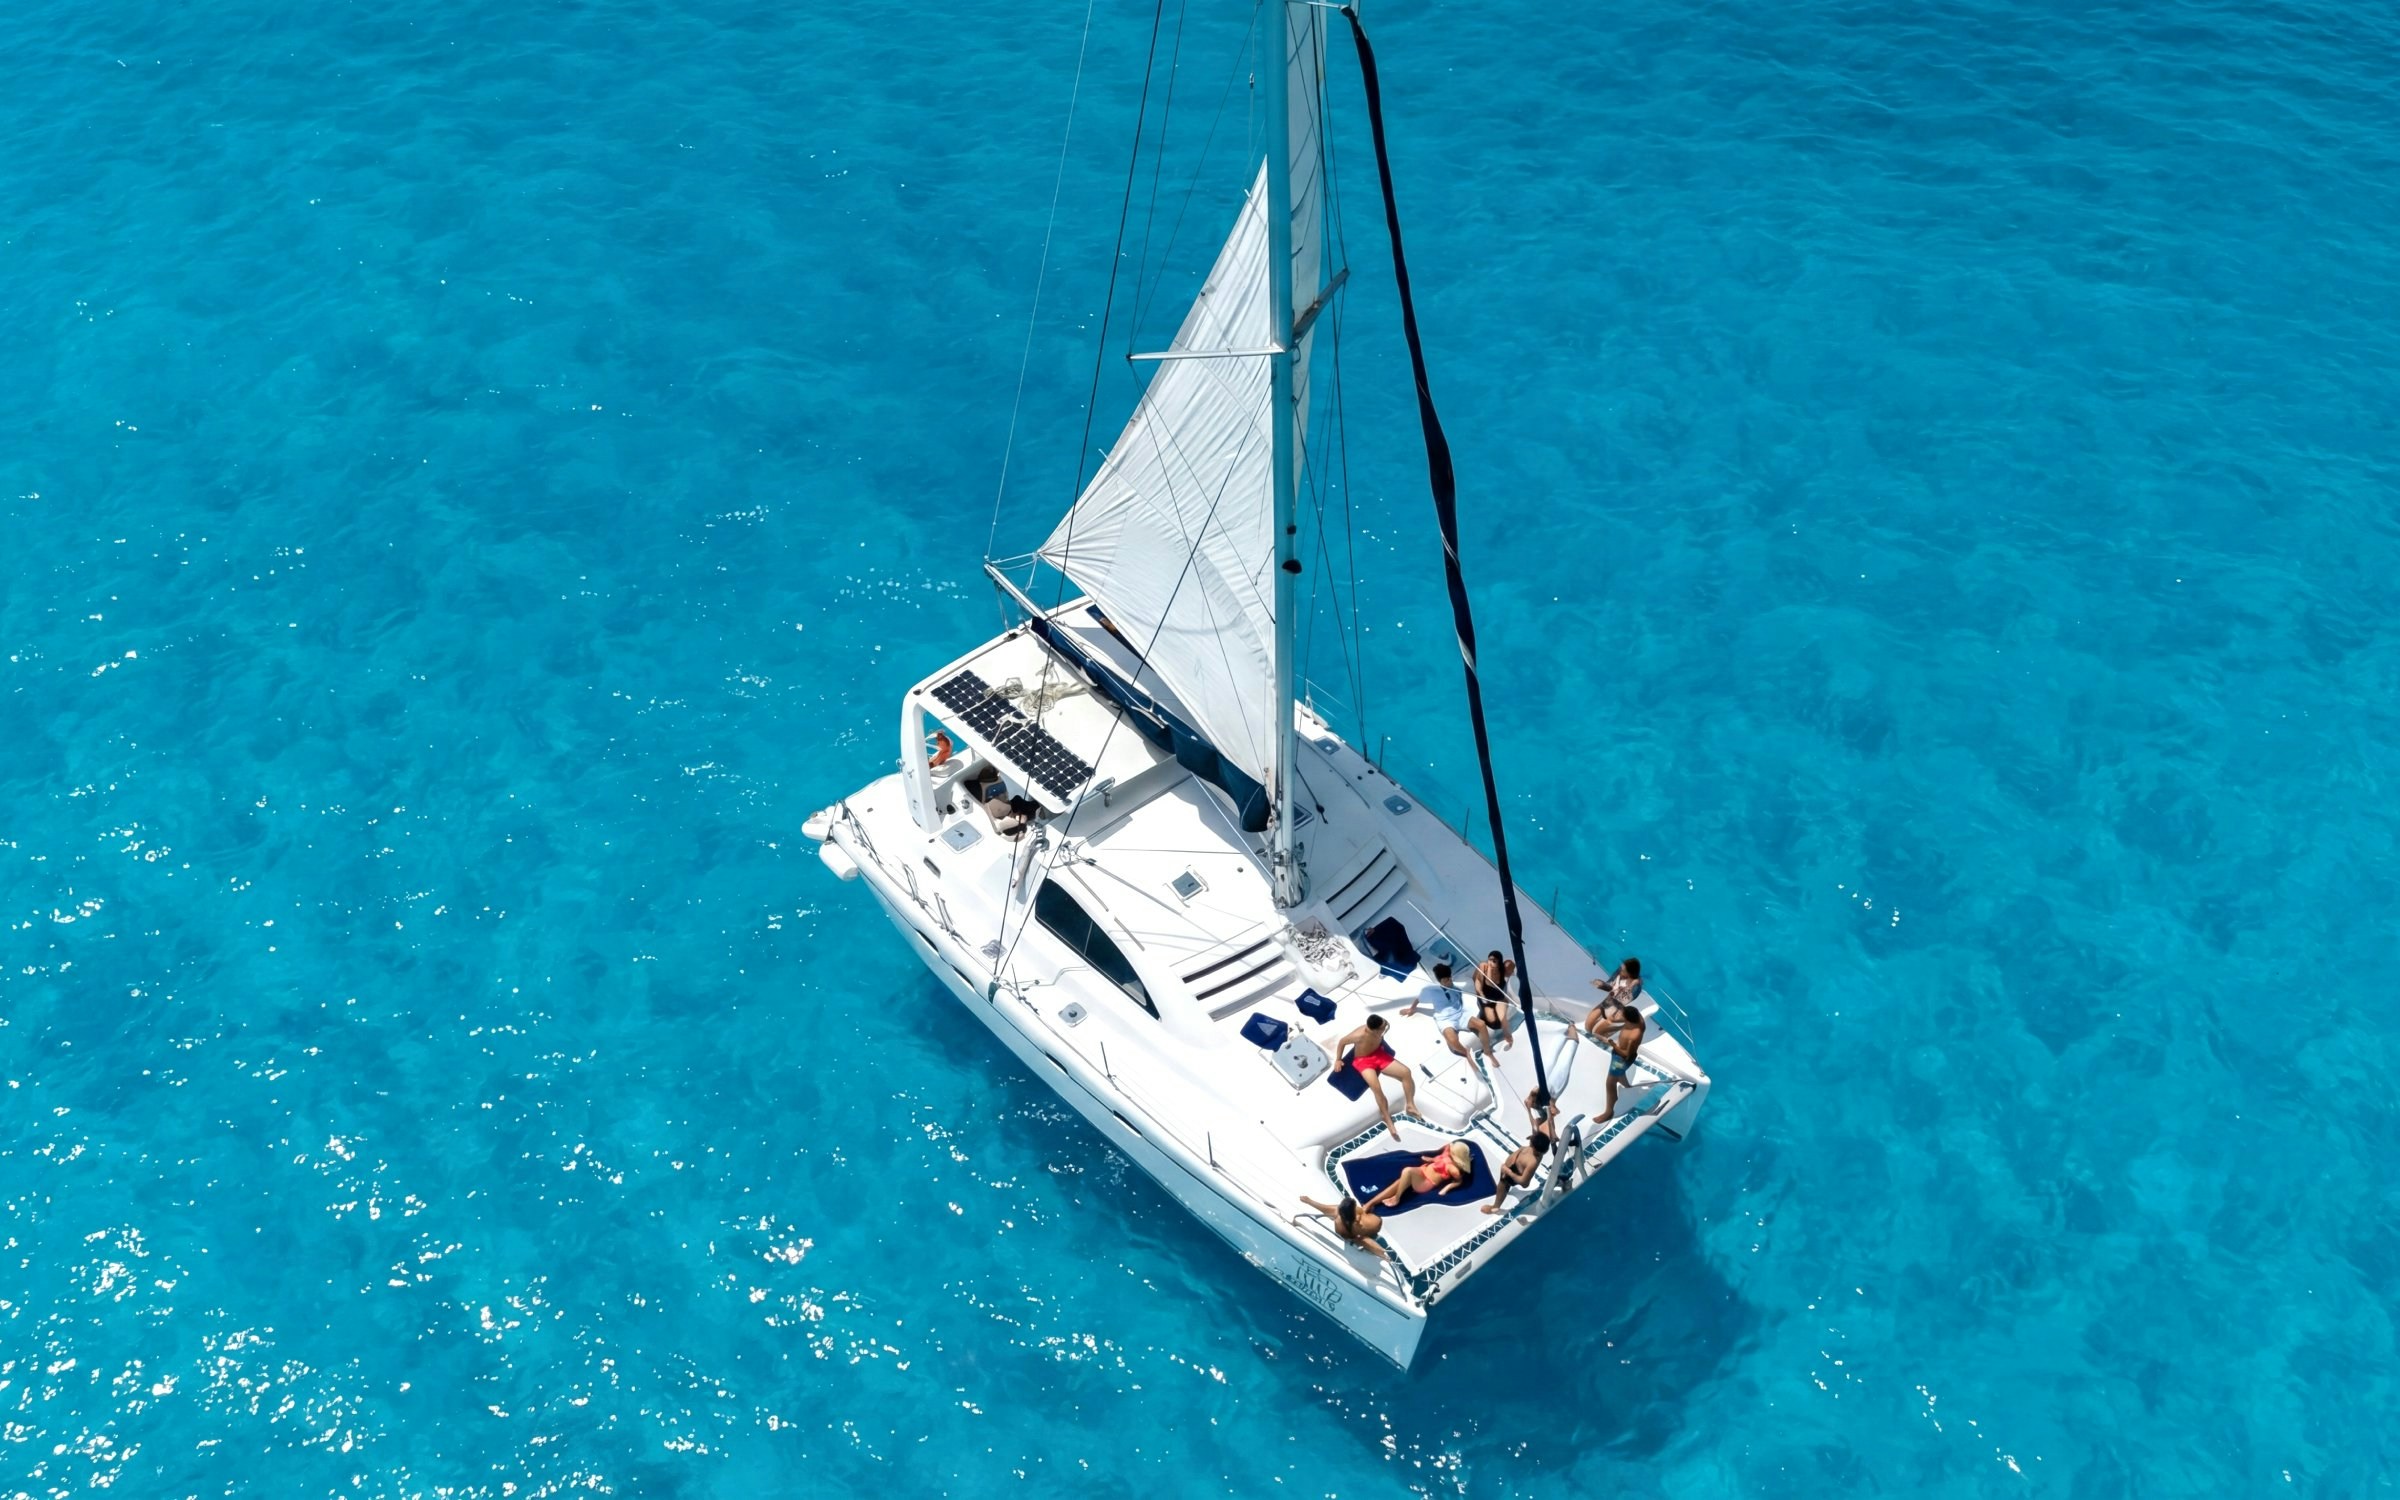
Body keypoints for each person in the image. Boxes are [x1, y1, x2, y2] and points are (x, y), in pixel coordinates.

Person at [1333, 1014, 1419, 1141]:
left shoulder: (1382, 1024)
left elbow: (1386, 1025)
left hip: (1378, 1054)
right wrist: (1338, 1060)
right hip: (1363, 1061)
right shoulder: (1358, 1035)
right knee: (1377, 1089)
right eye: (1383, 1028)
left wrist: (1385, 1026)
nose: (1385, 1028)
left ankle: (1410, 1104)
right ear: (1374, 1030)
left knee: (1406, 1072)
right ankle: (1387, 1118)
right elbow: (1342, 1042)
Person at [1403, 962, 1497, 1068]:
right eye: (1446, 980)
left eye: (1450, 978)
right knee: (1452, 1040)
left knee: (1481, 1025)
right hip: (1445, 1020)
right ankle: (1467, 1054)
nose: (1449, 981)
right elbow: (1418, 999)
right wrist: (1412, 1009)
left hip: (1460, 1015)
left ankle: (1487, 1051)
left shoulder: (1455, 987)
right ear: (1440, 981)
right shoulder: (1431, 991)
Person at [1370, 1140, 1475, 1210]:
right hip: (1422, 1171)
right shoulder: (1447, 1152)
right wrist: (1432, 1159)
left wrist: (1446, 1189)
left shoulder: (1454, 1170)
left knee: (1407, 1171)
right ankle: (1370, 1203)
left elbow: (1458, 1182)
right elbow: (1444, 1151)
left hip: (1426, 1182)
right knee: (1398, 1182)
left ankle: (1397, 1198)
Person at [1299, 1194, 1390, 1261]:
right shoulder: (1341, 1225)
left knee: (1335, 1211)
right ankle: (1383, 1254)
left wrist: (1309, 1201)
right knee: (1359, 1238)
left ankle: (1309, 1201)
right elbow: (1354, 1239)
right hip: (1361, 1232)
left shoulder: (1356, 1211)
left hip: (1370, 1223)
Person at [1483, 1129, 1552, 1214]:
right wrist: (1533, 1138)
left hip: (1514, 1173)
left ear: (1534, 1147)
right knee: (1502, 1183)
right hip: (1513, 1165)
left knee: (1503, 1184)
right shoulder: (1534, 1147)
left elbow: (1524, 1183)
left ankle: (1495, 1207)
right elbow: (1540, 1138)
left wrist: (1508, 1171)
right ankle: (1501, 1189)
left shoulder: (1532, 1162)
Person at [1471, 951, 1517, 1049]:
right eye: (1490, 960)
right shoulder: (1484, 967)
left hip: (1497, 999)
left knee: (1501, 1016)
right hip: (1485, 1000)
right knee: (1492, 1020)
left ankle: (1506, 1033)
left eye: (1494, 961)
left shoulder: (1503, 974)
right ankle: (1486, 1034)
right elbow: (1477, 981)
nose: (1491, 963)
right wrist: (1481, 995)